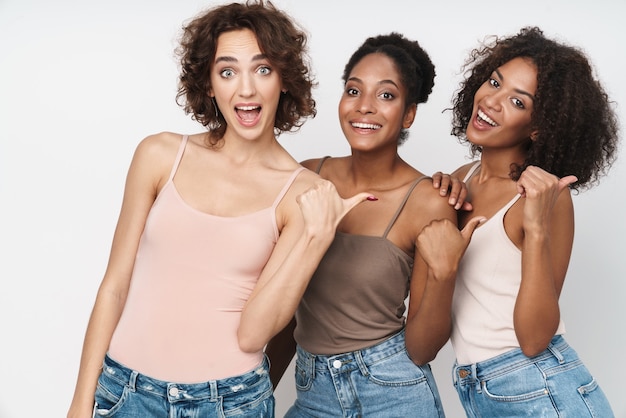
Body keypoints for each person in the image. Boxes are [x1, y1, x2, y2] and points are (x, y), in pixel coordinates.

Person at [66, 2, 372, 417]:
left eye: (262, 69)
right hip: (126, 392)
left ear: (283, 79)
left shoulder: (303, 192)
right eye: (227, 71)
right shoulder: (159, 155)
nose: (245, 89)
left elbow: (254, 334)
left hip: (228, 402)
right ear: (209, 85)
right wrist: (80, 402)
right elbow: (114, 286)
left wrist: (317, 238)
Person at [415, 26, 619, 417]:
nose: (491, 101)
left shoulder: (548, 197)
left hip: (543, 389)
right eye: (494, 82)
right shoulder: (462, 179)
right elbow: (423, 347)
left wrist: (537, 228)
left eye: (517, 101)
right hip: (479, 389)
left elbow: (534, 339)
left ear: (539, 126)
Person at [266, 32, 466, 418]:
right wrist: (256, 397)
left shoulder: (428, 200)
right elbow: (282, 312)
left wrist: (444, 272)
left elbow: (423, 349)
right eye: (354, 91)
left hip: (392, 391)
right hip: (313, 392)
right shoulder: (306, 177)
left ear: (409, 113)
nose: (365, 107)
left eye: (386, 95)